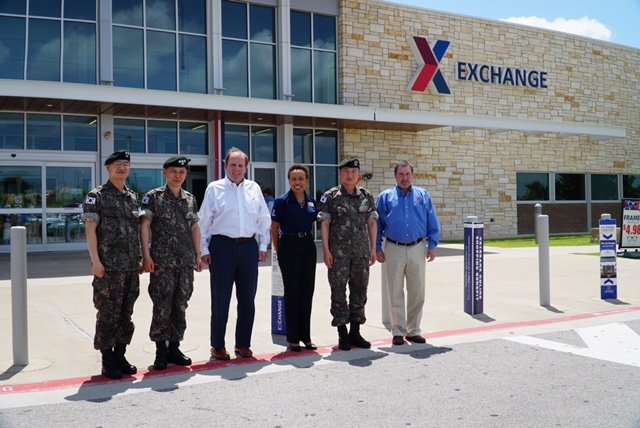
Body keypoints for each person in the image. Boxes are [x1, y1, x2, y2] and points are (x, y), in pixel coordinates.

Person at [198, 147, 271, 360]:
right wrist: (203, 249)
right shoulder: (214, 188)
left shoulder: (254, 188)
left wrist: (261, 246)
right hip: (222, 248)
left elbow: (263, 219)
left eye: (240, 165)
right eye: (233, 165)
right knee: (221, 299)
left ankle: (243, 344)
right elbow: (204, 221)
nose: (237, 169)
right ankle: (218, 345)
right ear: (225, 166)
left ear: (246, 167)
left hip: (248, 248)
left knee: (247, 299)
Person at [140, 156, 204, 370]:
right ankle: (161, 350)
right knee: (161, 305)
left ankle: (175, 347)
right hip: (162, 263)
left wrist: (197, 254)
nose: (178, 175)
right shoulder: (153, 197)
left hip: (185, 262)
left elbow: (194, 227)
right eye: (174, 171)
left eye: (182, 172)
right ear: (165, 172)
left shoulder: (190, 199)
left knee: (180, 305)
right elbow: (145, 226)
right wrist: (146, 255)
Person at [82, 150, 141, 379]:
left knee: (126, 314)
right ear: (108, 168)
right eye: (117, 164)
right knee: (108, 313)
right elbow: (90, 231)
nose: (122, 168)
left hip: (130, 267)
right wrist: (95, 261)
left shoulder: (132, 197)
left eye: (126, 164)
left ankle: (120, 354)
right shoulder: (97, 195)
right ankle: (107, 359)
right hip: (108, 267)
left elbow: (135, 232)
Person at [376, 160, 440, 345]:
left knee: (417, 291)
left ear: (412, 175)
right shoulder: (386, 197)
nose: (405, 178)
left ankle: (413, 330)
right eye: (401, 174)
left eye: (408, 174)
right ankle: (398, 330)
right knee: (394, 291)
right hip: (393, 248)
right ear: (395, 176)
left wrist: (433, 245)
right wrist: (378, 248)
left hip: (418, 248)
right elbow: (378, 225)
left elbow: (431, 220)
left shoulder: (423, 195)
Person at [317, 157, 378, 350]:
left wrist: (373, 248)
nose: (350, 175)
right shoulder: (331, 196)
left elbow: (372, 222)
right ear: (340, 174)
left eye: (353, 171)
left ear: (358, 174)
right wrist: (326, 250)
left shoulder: (366, 196)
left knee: (359, 292)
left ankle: (355, 332)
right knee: (338, 292)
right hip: (338, 254)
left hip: (361, 253)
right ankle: (342, 333)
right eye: (346, 171)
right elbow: (324, 224)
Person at [270, 165, 319, 352]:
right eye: (294, 179)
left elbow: (313, 220)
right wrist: (279, 251)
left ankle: (306, 336)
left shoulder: (312, 202)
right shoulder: (282, 201)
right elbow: (274, 228)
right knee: (293, 292)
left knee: (307, 291)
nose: (297, 183)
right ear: (289, 181)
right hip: (288, 247)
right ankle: (293, 339)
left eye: (301, 179)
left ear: (306, 181)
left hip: (307, 245)